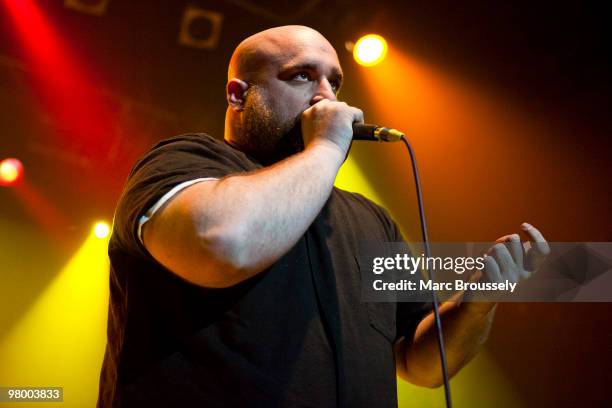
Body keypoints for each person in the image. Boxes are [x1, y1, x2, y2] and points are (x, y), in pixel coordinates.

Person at [98, 25, 549, 407]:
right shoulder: (188, 162)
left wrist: (480, 299)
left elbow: (421, 363)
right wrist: (329, 147)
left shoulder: (372, 221)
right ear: (239, 94)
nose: (326, 98)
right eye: (302, 76)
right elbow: (222, 243)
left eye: (335, 82)